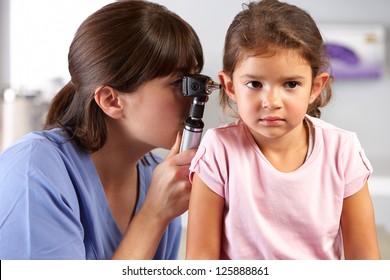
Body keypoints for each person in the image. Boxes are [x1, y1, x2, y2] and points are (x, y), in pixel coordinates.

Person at [0, 0, 204, 260]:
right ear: (111, 100)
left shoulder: (161, 182)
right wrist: (153, 215)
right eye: (179, 83)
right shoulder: (33, 172)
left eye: (194, 80)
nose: (196, 98)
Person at [186, 0, 380, 260]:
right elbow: (200, 263)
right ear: (231, 87)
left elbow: (365, 263)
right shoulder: (218, 150)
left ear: (315, 87)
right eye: (255, 83)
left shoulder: (343, 151)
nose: (272, 102)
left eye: (290, 84)